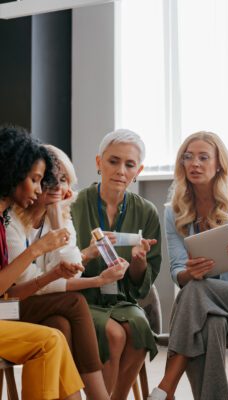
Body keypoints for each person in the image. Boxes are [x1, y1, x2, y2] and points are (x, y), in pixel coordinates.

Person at [148, 131, 228, 400]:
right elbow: (178, 272)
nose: (195, 163)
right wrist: (188, 273)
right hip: (204, 309)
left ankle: (166, 386)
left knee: (195, 292)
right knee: (208, 321)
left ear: (219, 164)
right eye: (188, 157)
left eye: (204, 157)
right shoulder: (174, 211)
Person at [7, 145, 120, 399]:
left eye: (65, 180)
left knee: (59, 326)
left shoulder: (60, 217)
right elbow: (24, 281)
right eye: (52, 180)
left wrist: (56, 216)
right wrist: (90, 279)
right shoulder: (11, 220)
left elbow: (72, 272)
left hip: (40, 304)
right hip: (12, 303)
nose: (61, 188)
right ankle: (98, 396)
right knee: (74, 303)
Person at [71, 129, 161, 398]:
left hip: (121, 300)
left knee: (138, 328)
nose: (121, 170)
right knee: (114, 335)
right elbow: (57, 265)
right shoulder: (74, 205)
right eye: (113, 161)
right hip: (81, 296)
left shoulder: (146, 212)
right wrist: (88, 252)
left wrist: (138, 261)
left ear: (139, 170)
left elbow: (141, 284)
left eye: (129, 164)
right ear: (99, 163)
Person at [0, 125, 83, 400]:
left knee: (55, 334)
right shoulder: (8, 223)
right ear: (13, 173)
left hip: (5, 311)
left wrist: (52, 269)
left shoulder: (3, 220)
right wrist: (35, 251)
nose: (39, 189)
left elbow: (9, 292)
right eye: (34, 180)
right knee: (50, 339)